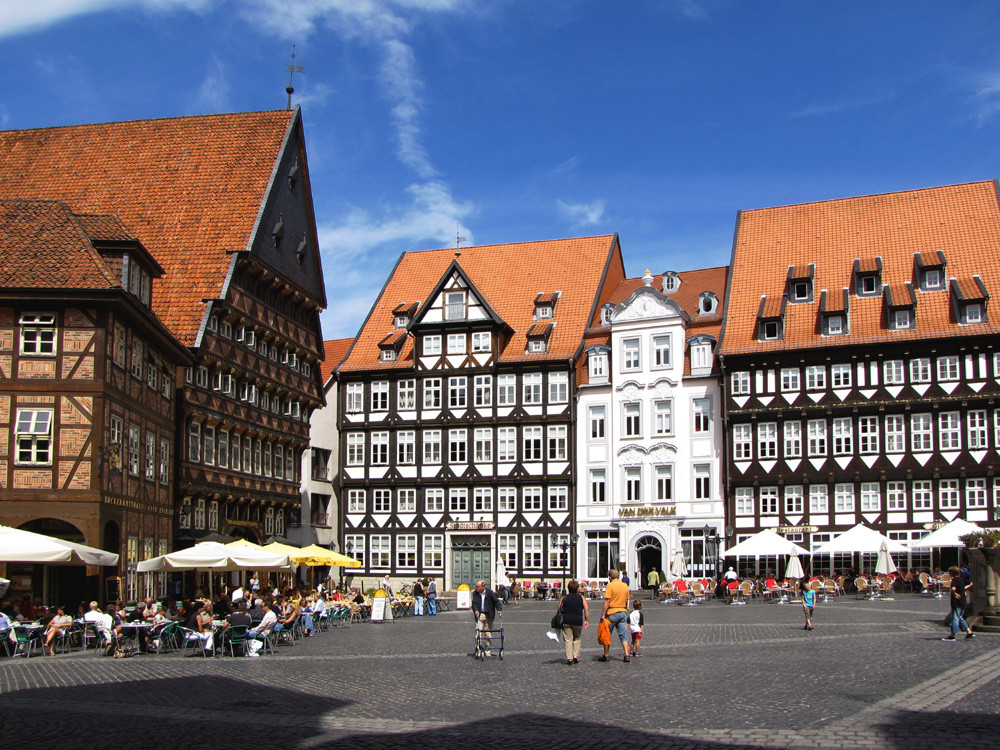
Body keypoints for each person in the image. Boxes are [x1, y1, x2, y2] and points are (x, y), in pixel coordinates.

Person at [600, 568, 631, 662]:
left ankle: (606, 655)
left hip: (612, 613)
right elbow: (627, 599)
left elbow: (607, 600)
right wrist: (625, 609)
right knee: (623, 634)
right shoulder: (625, 585)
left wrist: (603, 614)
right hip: (622, 612)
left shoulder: (610, 586)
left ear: (610, 577)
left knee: (607, 634)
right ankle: (626, 654)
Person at [557, 579, 589, 665]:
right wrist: (586, 620)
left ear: (569, 588)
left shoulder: (564, 598)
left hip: (566, 621)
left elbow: (559, 608)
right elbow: (586, 609)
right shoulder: (581, 598)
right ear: (577, 588)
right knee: (577, 638)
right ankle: (576, 656)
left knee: (568, 639)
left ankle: (569, 658)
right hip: (578, 620)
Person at [943, 565, 975, 640]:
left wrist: (955, 593)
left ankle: (952, 635)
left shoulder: (954, 580)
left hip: (957, 602)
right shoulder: (961, 579)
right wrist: (963, 590)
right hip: (963, 601)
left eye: (949, 572)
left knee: (955, 618)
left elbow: (953, 589)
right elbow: (970, 583)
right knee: (960, 617)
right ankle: (969, 632)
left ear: (952, 573)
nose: (948, 574)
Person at [472, 580, 502, 657]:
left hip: (489, 615)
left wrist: (499, 609)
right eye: (476, 586)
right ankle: (478, 650)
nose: (476, 588)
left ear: (483, 587)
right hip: (480, 615)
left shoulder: (489, 592)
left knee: (488, 634)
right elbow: (474, 603)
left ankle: (487, 650)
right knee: (478, 634)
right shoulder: (475, 593)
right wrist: (475, 610)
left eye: (478, 587)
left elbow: (496, 601)